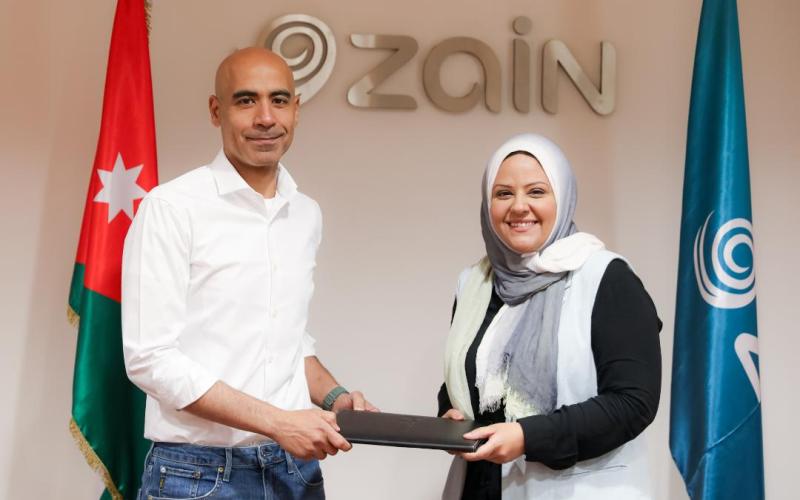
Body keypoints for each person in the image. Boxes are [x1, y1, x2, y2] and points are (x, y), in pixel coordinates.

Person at [122, 47, 375, 500]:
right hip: (196, 476)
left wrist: (337, 398)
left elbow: (287, 340)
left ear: (296, 109)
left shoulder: (306, 213)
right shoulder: (172, 208)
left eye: (279, 100)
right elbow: (150, 358)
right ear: (216, 110)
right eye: (246, 101)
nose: (265, 118)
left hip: (295, 472)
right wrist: (278, 422)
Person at [438, 133, 661, 499]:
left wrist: (527, 436)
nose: (519, 207)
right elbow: (465, 376)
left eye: (537, 192)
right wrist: (451, 413)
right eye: (503, 193)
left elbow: (633, 402)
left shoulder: (606, 277)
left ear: (563, 196)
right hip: (480, 487)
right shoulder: (474, 283)